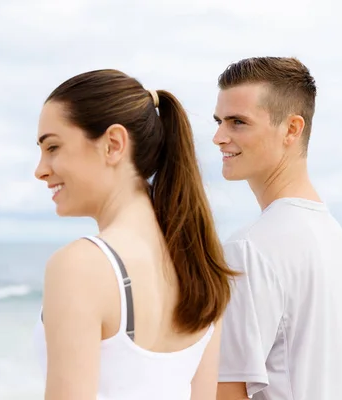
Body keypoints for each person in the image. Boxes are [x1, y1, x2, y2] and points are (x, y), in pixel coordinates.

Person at [32, 69, 238, 400]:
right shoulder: (201, 266)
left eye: (53, 147)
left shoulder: (80, 266)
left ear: (113, 145)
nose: (40, 170)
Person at [212, 57, 342, 400]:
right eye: (219, 121)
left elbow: (227, 393)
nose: (218, 137)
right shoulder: (330, 233)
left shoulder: (248, 249)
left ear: (292, 129)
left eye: (237, 122)